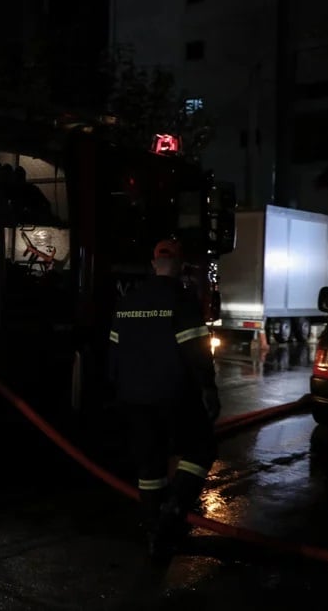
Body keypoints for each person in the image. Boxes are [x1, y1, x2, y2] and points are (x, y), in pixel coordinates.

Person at [108, 239, 220, 562]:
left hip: (134, 397)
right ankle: (173, 510)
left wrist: (119, 392)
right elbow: (197, 353)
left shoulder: (128, 301)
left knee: (150, 463)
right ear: (181, 265)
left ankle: (153, 528)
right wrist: (209, 389)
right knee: (201, 448)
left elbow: (113, 355)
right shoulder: (182, 300)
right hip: (174, 394)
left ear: (152, 264)